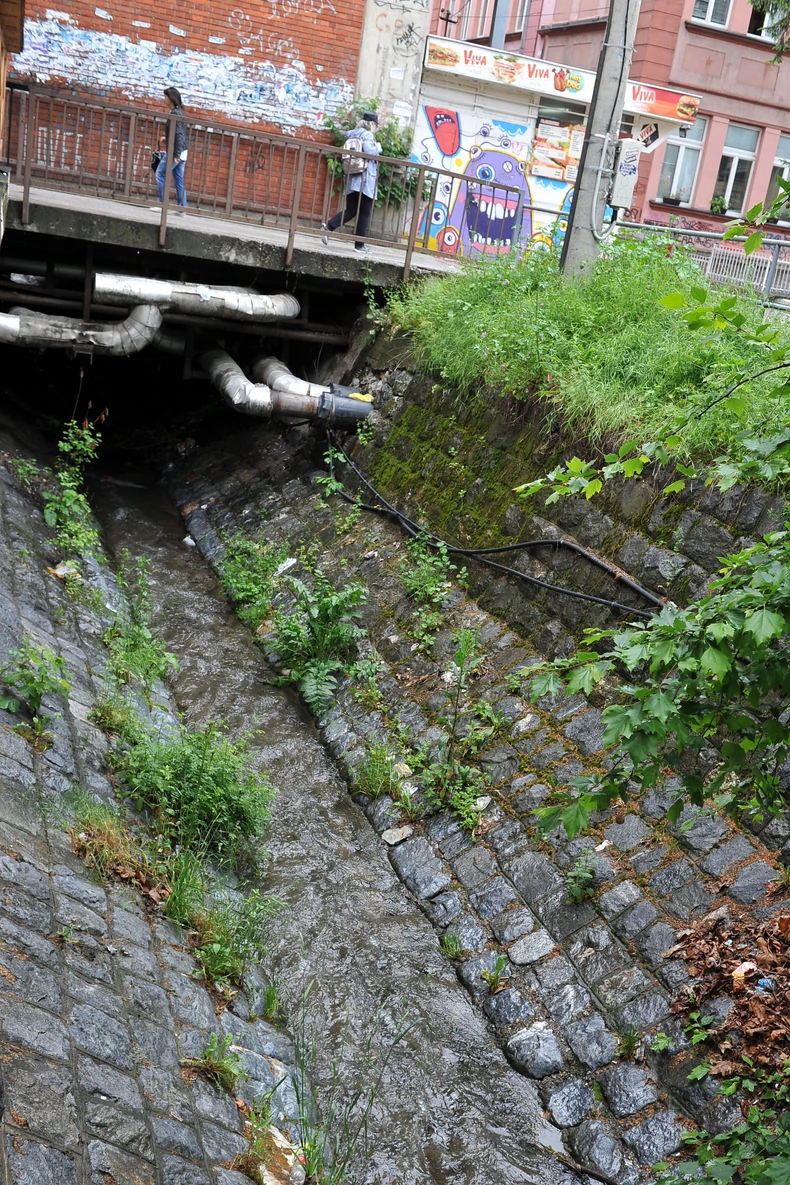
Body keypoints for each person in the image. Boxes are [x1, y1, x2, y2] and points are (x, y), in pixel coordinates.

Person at [321, 112, 380, 254]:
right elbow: (370, 152)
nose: (377, 129)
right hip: (365, 179)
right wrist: (378, 147)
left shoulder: (351, 134)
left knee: (351, 210)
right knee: (365, 212)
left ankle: (329, 226)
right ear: (372, 125)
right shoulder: (367, 135)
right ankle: (359, 246)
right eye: (377, 126)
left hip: (352, 176)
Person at [156, 86, 188, 208]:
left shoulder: (175, 113)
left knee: (160, 173)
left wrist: (176, 154)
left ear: (171, 98)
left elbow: (179, 134)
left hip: (176, 151)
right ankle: (181, 208)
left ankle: (163, 205)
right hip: (183, 151)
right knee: (179, 180)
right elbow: (178, 132)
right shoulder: (179, 111)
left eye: (165, 96)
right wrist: (167, 138)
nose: (164, 99)